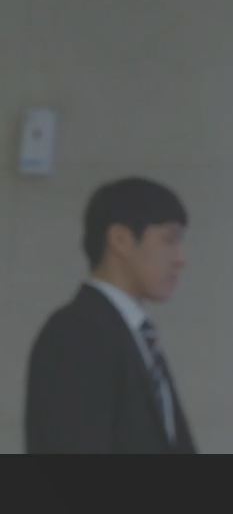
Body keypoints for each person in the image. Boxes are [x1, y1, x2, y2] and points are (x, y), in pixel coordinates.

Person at [25, 176, 195, 453]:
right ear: (120, 240)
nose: (180, 259)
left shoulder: (134, 334)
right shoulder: (76, 335)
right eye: (169, 240)